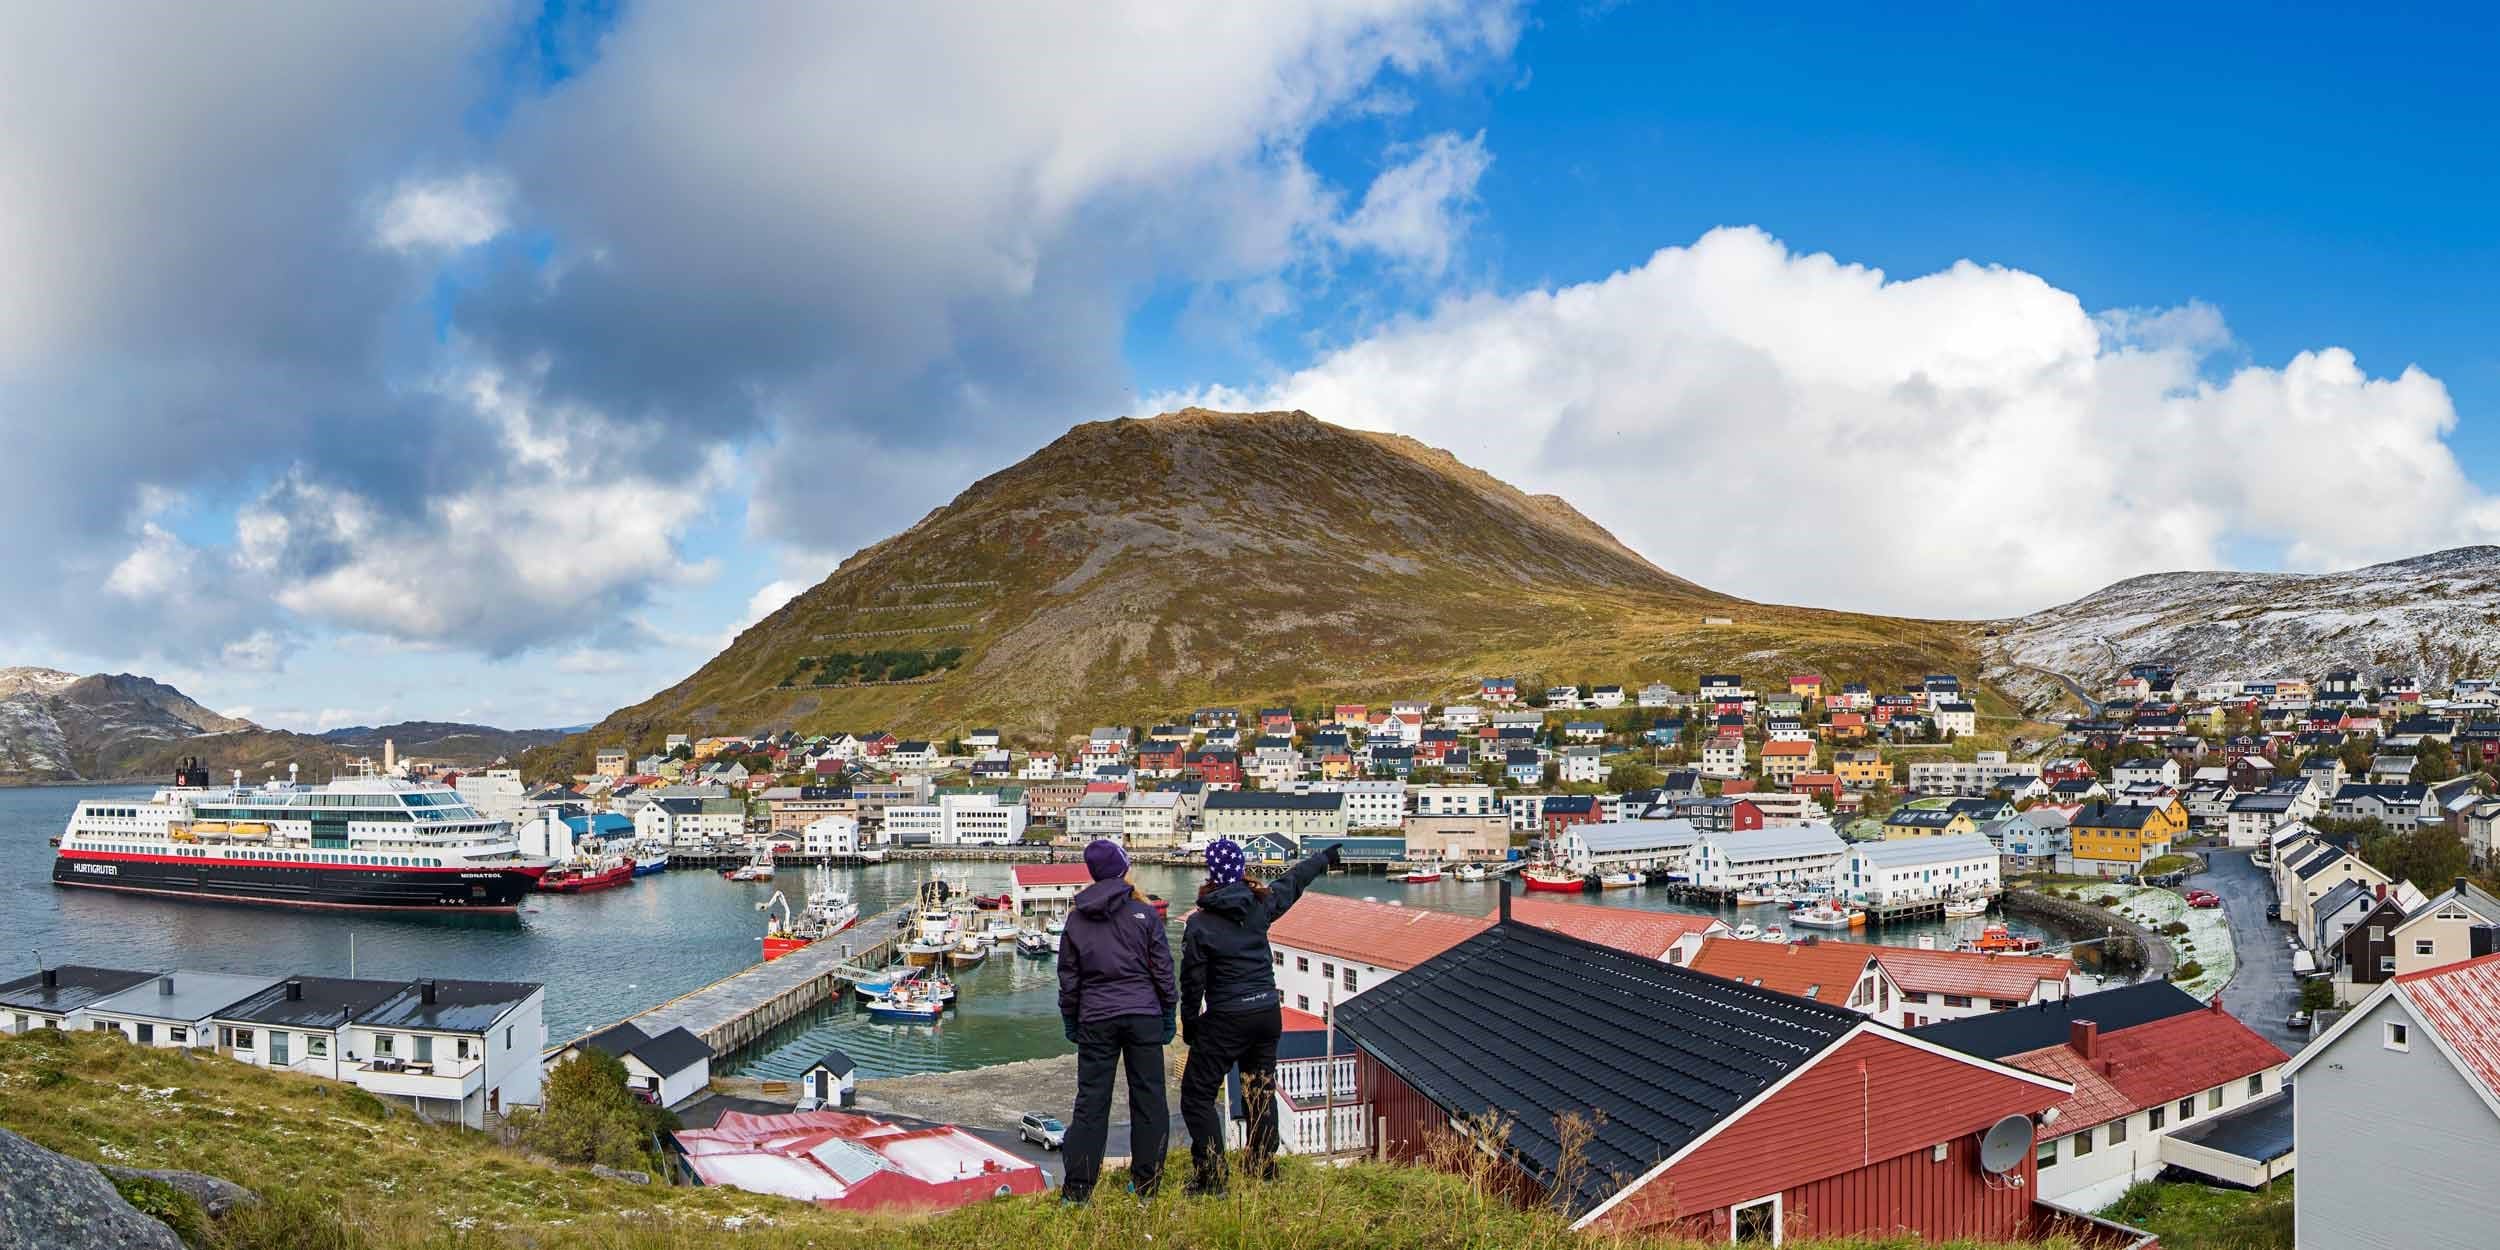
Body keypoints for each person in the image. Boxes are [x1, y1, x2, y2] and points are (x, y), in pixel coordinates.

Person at [1176, 838, 1341, 1194]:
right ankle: (1262, 1169)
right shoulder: (1259, 905)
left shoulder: (1200, 924)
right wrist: (1323, 857)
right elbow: (1293, 881)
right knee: (1260, 1090)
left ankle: (1213, 1177)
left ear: (1211, 873)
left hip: (1227, 1017)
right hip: (1267, 1011)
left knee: (1196, 1094)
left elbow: (1192, 983)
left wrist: (1191, 1027)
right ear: (1241, 869)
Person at [1056, 838, 1176, 1203]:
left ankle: (1077, 1191)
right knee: (1150, 1099)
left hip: (1096, 1017)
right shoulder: (1144, 914)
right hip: (1143, 1015)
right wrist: (1168, 1013)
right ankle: (1146, 1186)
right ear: (1123, 870)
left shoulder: (1076, 919)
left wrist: (1071, 1020)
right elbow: (1163, 972)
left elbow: (1069, 979)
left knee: (1091, 1103)